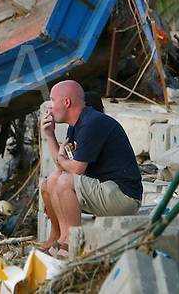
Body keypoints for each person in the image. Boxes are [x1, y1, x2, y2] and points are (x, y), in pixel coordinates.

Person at [40, 80, 142, 257]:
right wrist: (50, 135)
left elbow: (77, 168)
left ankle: (72, 240)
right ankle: (59, 236)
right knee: (50, 182)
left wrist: (64, 161)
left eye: (52, 100)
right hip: (103, 192)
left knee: (64, 180)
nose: (49, 107)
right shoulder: (76, 126)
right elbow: (62, 164)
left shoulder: (92, 123)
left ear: (66, 102)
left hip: (123, 196)